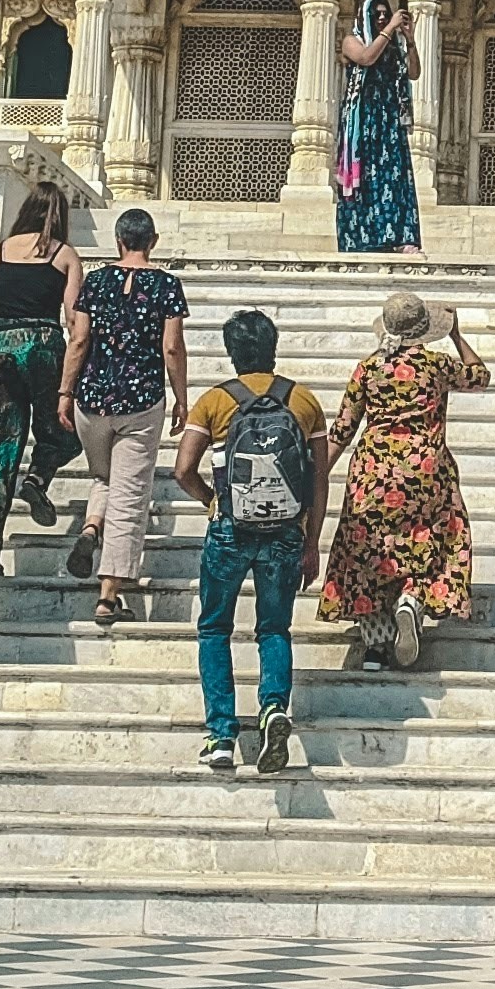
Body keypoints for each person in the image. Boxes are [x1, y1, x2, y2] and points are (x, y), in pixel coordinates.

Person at [172, 306, 334, 776]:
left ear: (231, 353)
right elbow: (318, 479)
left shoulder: (215, 401)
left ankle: (222, 735)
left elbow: (182, 471)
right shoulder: (303, 401)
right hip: (285, 531)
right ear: (273, 348)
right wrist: (312, 541)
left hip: (230, 528)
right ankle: (273, 709)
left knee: (214, 628)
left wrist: (212, 500)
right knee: (274, 629)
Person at [319, 292, 491, 671]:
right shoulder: (436, 365)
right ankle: (412, 599)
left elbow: (342, 430)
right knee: (432, 538)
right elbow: (480, 376)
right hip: (424, 469)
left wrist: (316, 477)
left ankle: (375, 649)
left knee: (368, 549)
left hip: (371, 471)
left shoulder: (367, 369)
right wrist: (456, 336)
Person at [56, 208, 189, 629]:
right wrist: (182, 397)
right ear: (153, 241)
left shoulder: (95, 281)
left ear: (118, 241)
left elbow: (79, 339)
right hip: (140, 401)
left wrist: (65, 392)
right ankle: (108, 596)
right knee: (129, 496)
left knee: (105, 477)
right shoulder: (166, 285)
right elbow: (172, 347)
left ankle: (92, 527)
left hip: (92, 398)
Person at [0, 183, 82, 578]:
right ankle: (37, 477)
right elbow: (74, 318)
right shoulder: (64, 255)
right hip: (43, 344)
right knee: (64, 429)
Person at [336, 0, 421, 255]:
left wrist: (409, 40)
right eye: (377, 14)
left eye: (386, 14)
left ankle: (398, 237)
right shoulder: (352, 41)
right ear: (365, 17)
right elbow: (366, 58)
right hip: (363, 122)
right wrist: (390, 29)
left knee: (393, 177)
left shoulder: (392, 47)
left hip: (388, 121)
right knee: (365, 178)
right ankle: (362, 239)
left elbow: (414, 73)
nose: (382, 18)